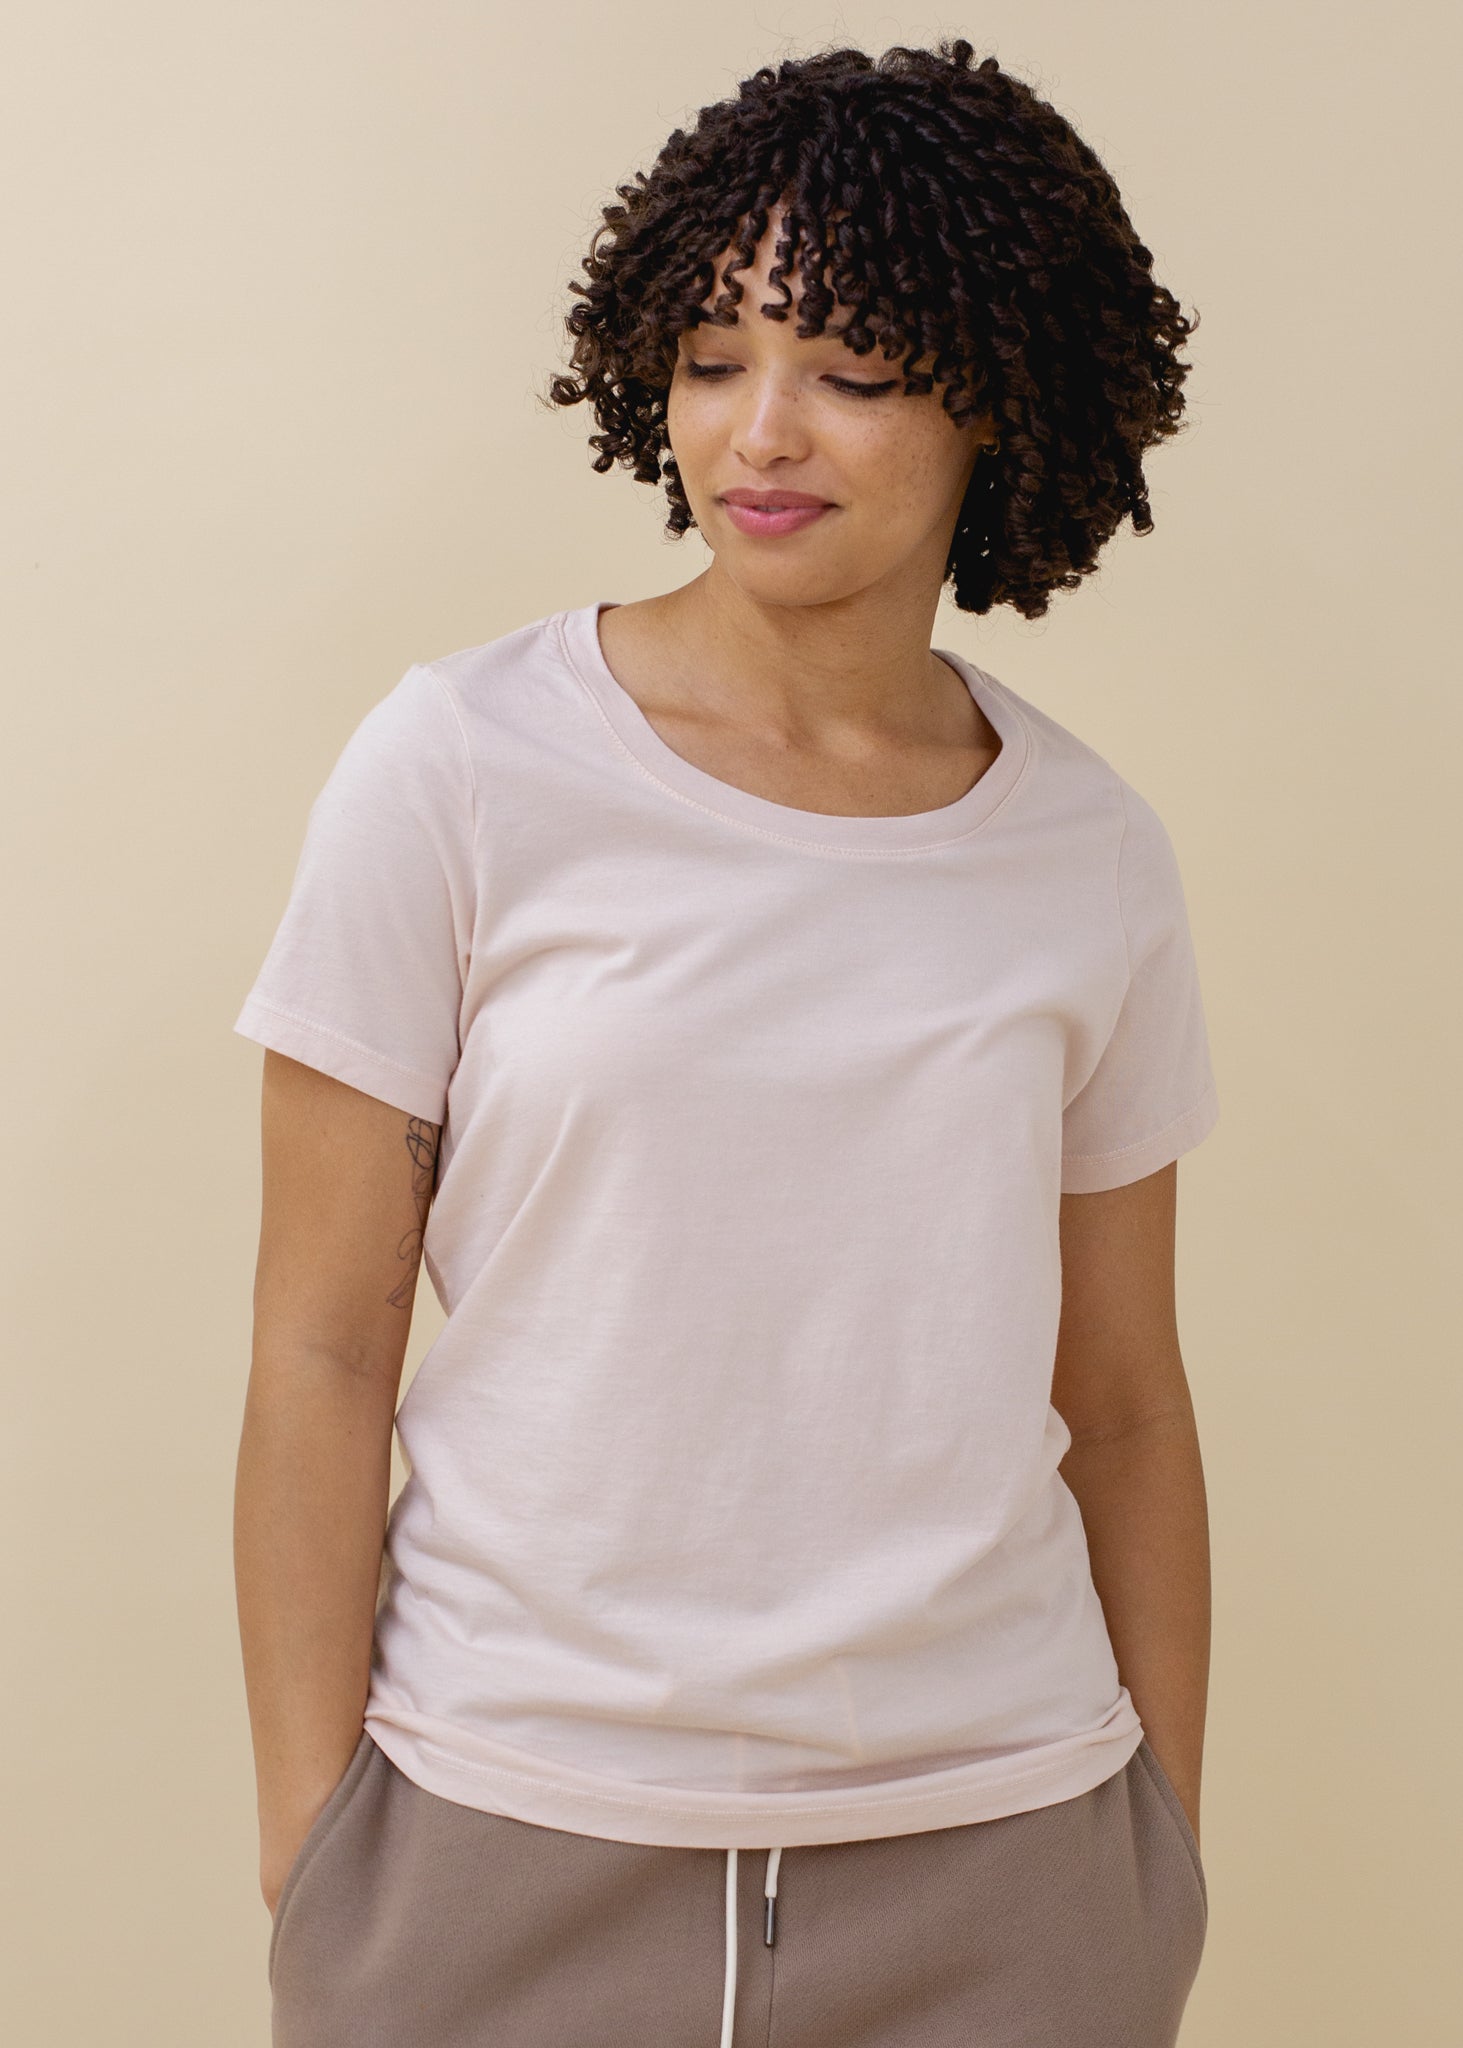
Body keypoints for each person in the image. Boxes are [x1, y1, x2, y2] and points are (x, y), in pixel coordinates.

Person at [233, 37, 1219, 2048]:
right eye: (711, 356)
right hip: (500, 1830)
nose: (759, 431)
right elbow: (323, 1342)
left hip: (1008, 1860)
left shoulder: (1090, 852)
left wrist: (1161, 1857)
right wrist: (312, 1855)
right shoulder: (462, 766)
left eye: (851, 368)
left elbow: (1124, 1400)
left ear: (998, 393)